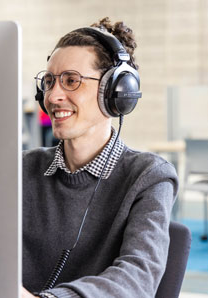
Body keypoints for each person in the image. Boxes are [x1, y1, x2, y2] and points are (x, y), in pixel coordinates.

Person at [22, 17, 178, 298]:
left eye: (71, 81)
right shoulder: (22, 168)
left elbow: (136, 278)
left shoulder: (149, 177)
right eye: (49, 81)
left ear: (117, 92)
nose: (53, 96)